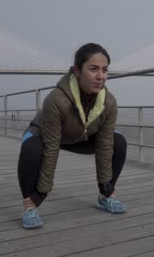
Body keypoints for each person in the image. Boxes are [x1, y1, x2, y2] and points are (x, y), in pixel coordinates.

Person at [17, 43, 128, 229]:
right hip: (45, 135)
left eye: (105, 70)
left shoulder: (109, 102)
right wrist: (41, 193)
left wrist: (106, 186)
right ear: (77, 70)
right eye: (93, 69)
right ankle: (30, 207)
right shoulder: (56, 99)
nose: (100, 76)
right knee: (31, 148)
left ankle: (106, 198)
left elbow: (105, 144)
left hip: (79, 138)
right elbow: (51, 148)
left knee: (118, 142)